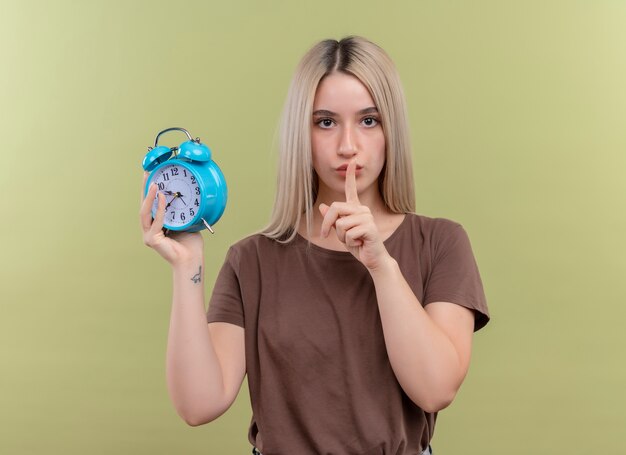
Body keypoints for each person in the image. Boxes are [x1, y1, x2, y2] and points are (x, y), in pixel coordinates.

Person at [140, 36, 489, 455]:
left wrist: (381, 265)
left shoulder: (441, 243)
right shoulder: (252, 261)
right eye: (325, 122)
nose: (347, 145)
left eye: (368, 120)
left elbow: (435, 389)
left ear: (390, 129)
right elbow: (198, 404)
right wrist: (186, 266)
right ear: (300, 135)